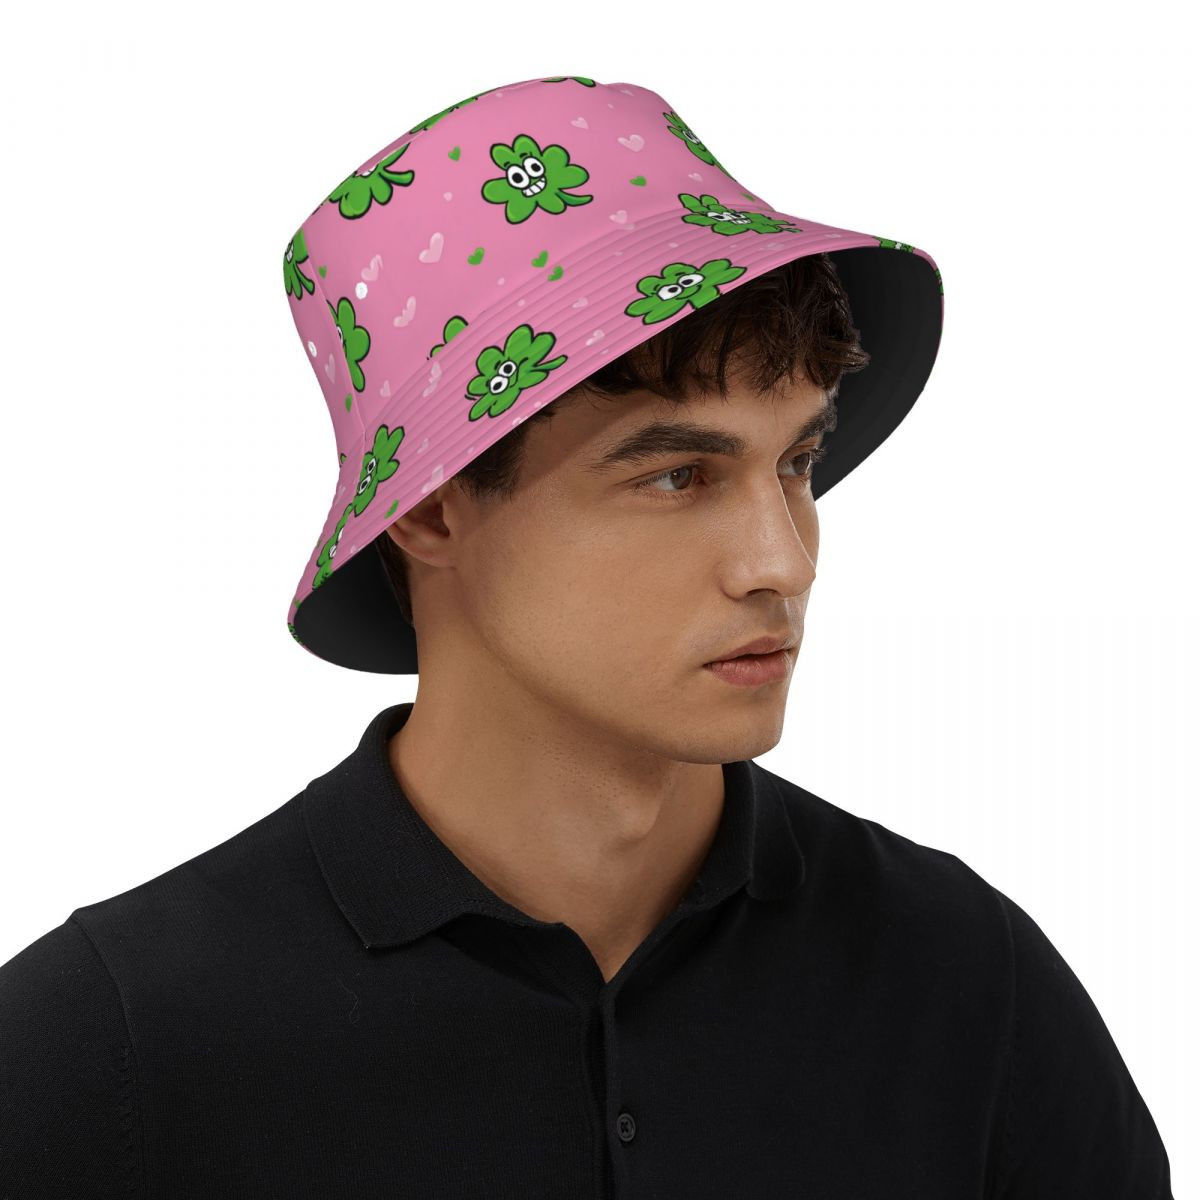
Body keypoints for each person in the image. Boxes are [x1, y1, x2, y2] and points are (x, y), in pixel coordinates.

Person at [0, 75, 1174, 1197]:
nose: (782, 561)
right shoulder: (105, 1053)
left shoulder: (964, 985)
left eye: (798, 462)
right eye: (677, 476)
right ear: (432, 509)